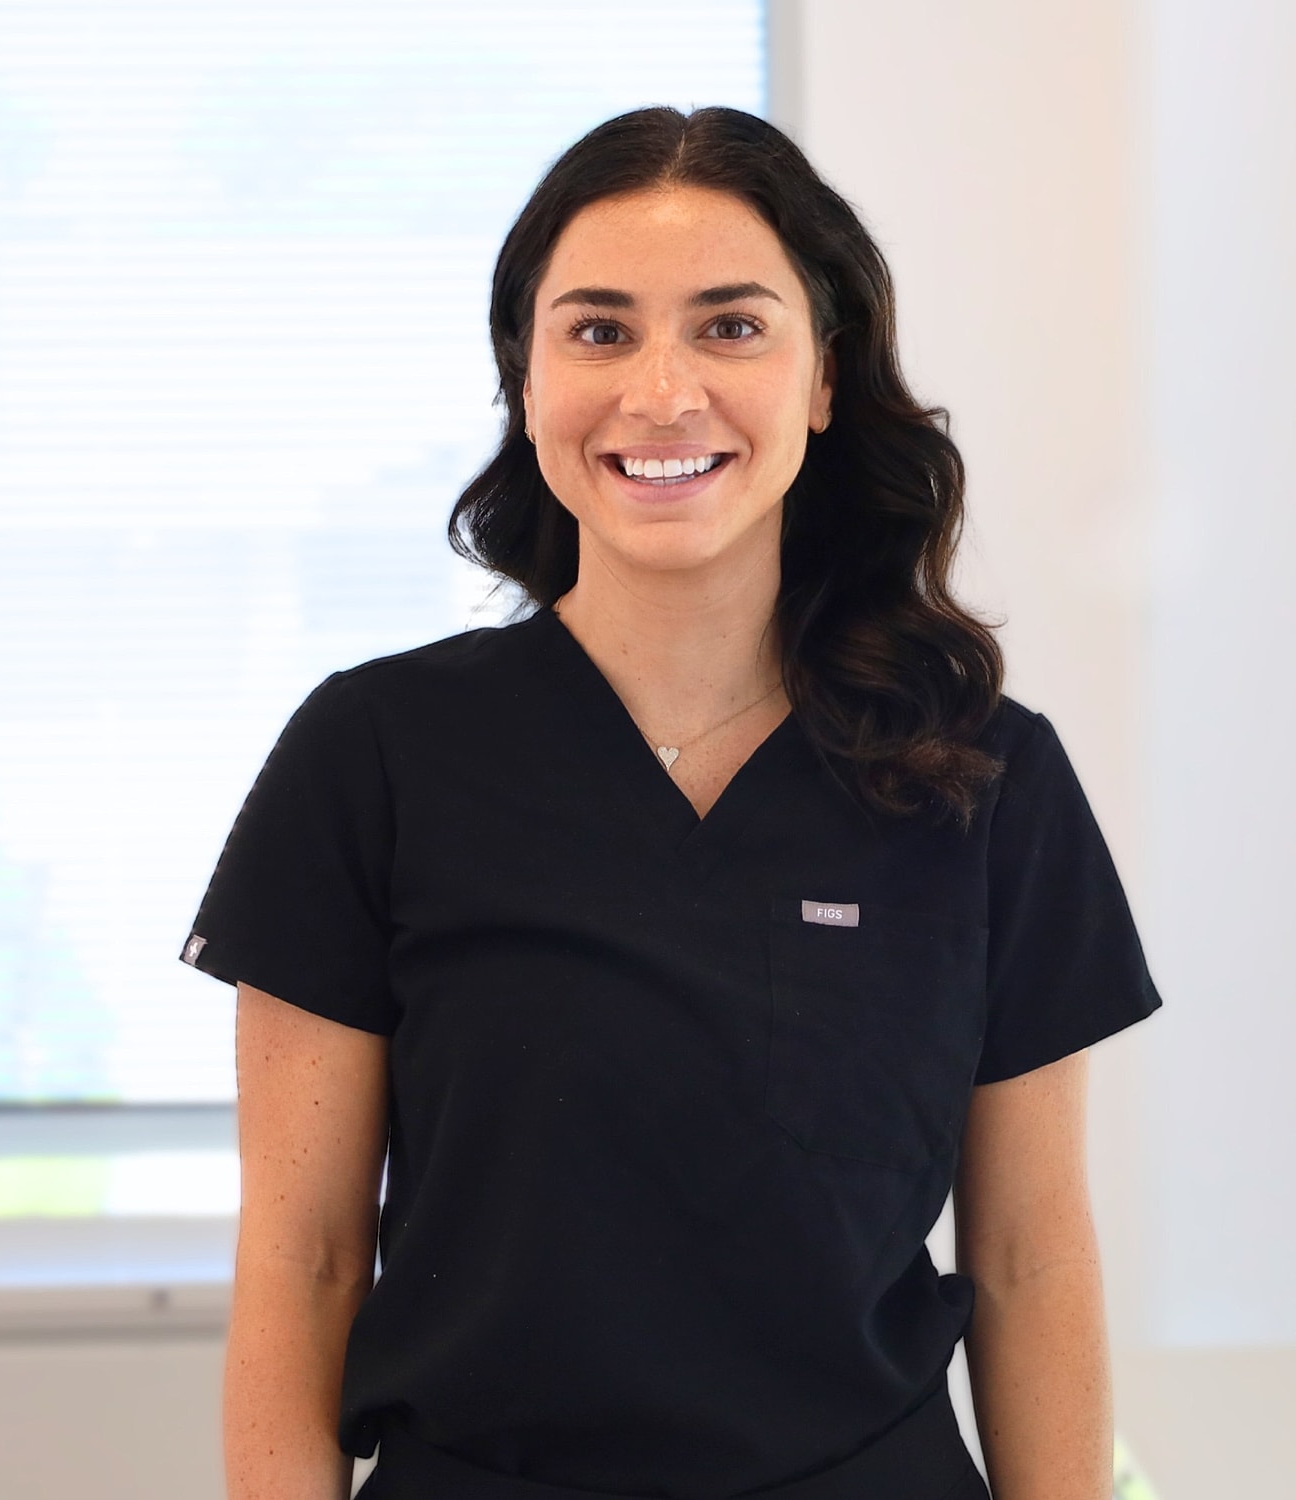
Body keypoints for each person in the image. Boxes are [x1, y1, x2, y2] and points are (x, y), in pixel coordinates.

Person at [182, 106, 1161, 1500]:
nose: (661, 393)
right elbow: (306, 1254)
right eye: (597, 331)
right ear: (523, 382)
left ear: (822, 377)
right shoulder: (375, 753)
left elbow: (1026, 1256)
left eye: (729, 327)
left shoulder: (984, 779)